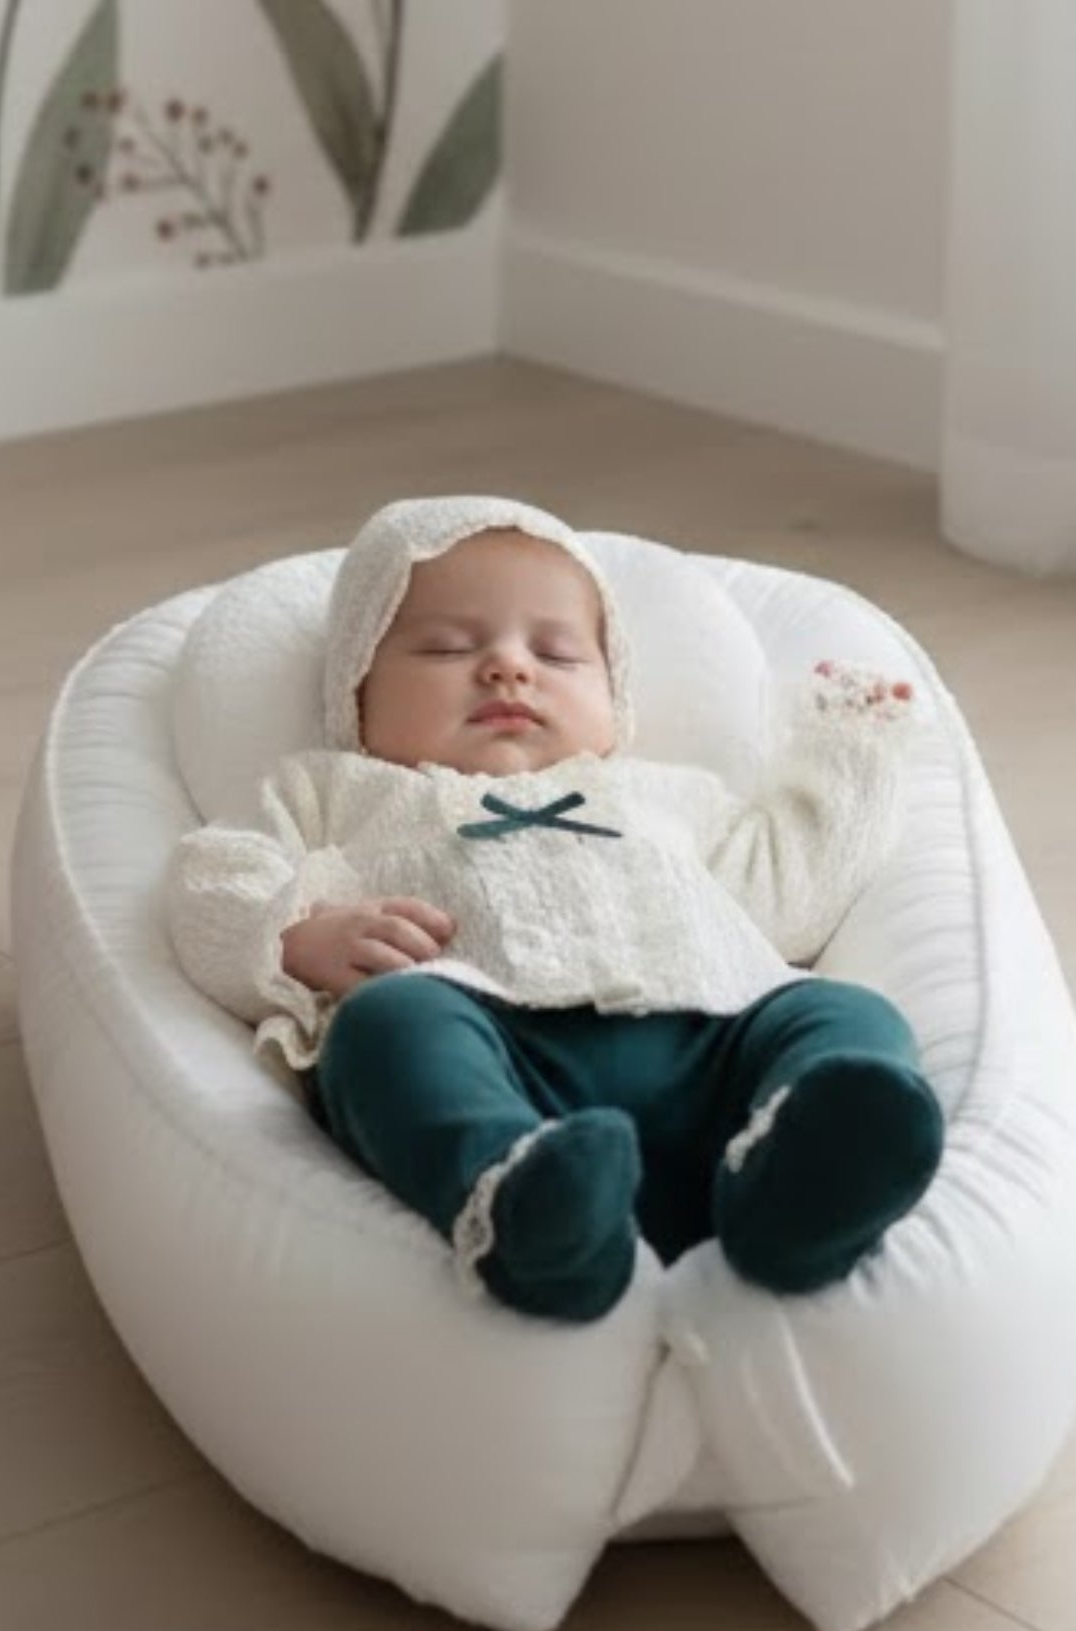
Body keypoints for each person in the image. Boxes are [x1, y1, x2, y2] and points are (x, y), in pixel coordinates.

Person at [167, 495, 944, 1322]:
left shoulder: (666, 797)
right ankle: (526, 1202)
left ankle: (802, 1179)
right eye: (445, 647)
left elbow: (791, 893)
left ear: (615, 699)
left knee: (845, 1012)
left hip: (709, 1044)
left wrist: (853, 754)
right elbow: (213, 877)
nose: (508, 667)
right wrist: (297, 935)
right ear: (356, 691)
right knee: (382, 1027)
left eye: (559, 653)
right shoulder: (334, 791)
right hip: (490, 1043)